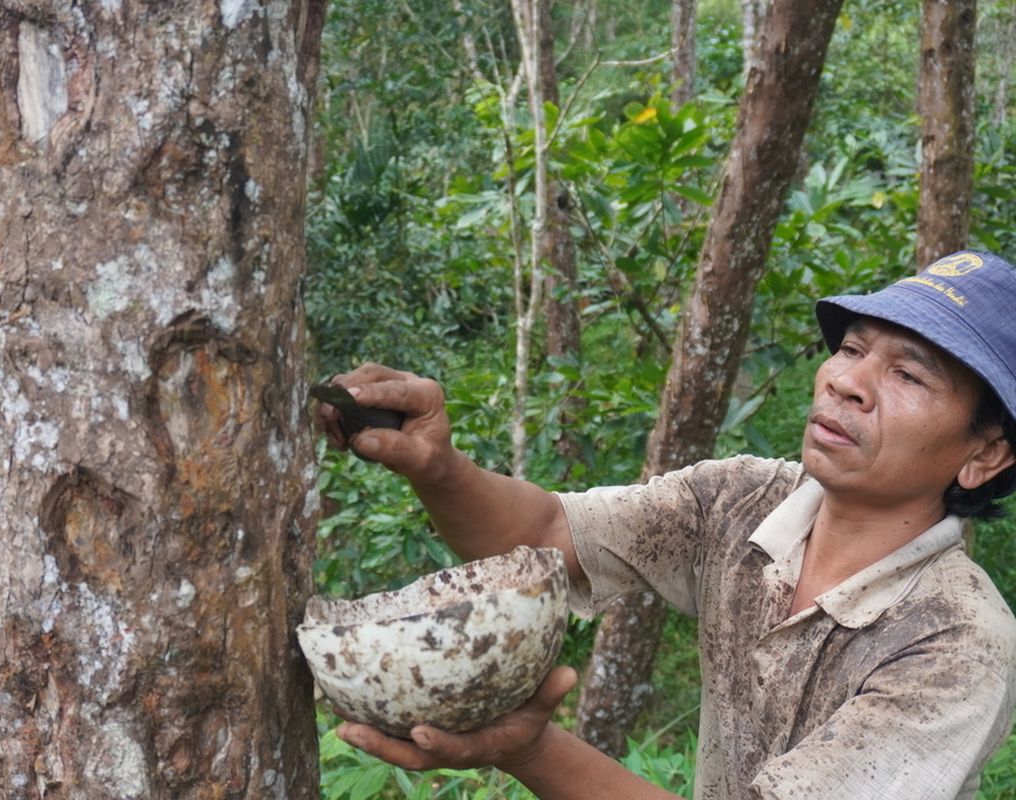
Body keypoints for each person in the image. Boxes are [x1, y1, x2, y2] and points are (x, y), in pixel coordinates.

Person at [315, 249, 1016, 799]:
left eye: (909, 376)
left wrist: (529, 749)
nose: (846, 381)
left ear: (985, 455)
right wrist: (437, 465)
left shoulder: (958, 641)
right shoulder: (742, 501)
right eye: (853, 348)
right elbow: (549, 538)